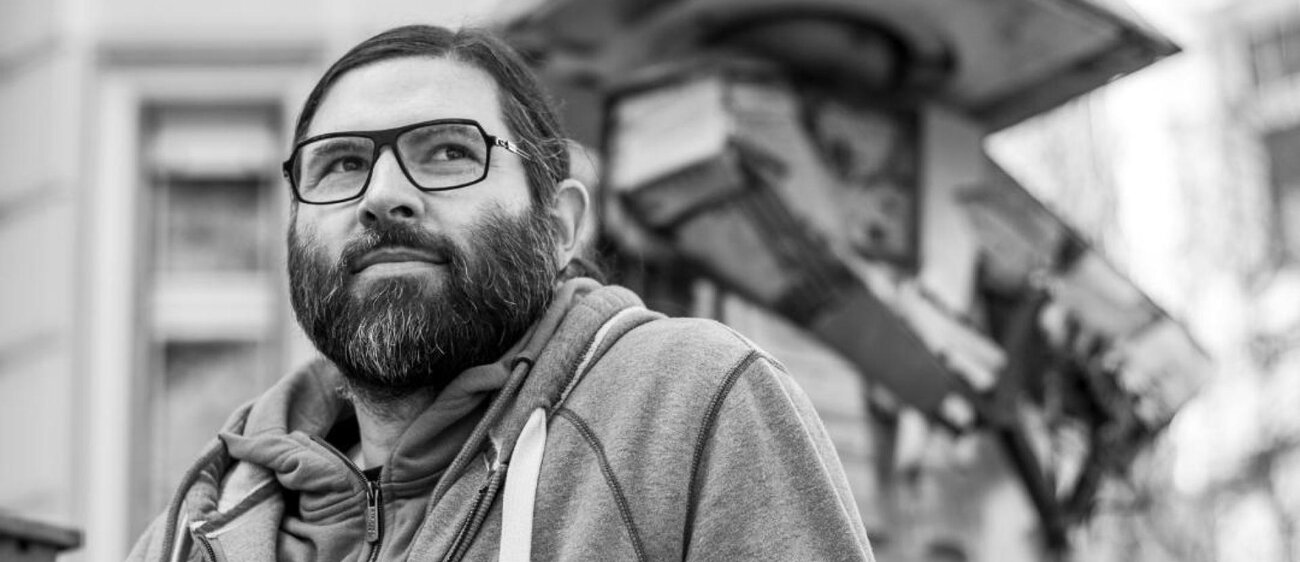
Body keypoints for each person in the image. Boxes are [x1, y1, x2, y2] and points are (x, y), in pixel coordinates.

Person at [128, 24, 874, 562]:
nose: (382, 196)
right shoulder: (204, 518)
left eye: (449, 152)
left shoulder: (689, 405)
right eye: (341, 164)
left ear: (559, 226)